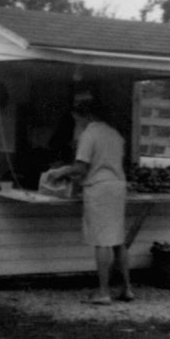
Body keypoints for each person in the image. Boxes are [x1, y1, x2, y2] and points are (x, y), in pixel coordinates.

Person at [46, 95, 133, 305]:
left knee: (102, 240)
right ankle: (127, 289)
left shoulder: (89, 135)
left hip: (100, 188)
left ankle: (104, 293)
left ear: (86, 115)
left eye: (77, 119)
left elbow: (81, 167)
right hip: (118, 186)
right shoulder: (115, 134)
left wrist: (60, 171)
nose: (77, 123)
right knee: (118, 240)